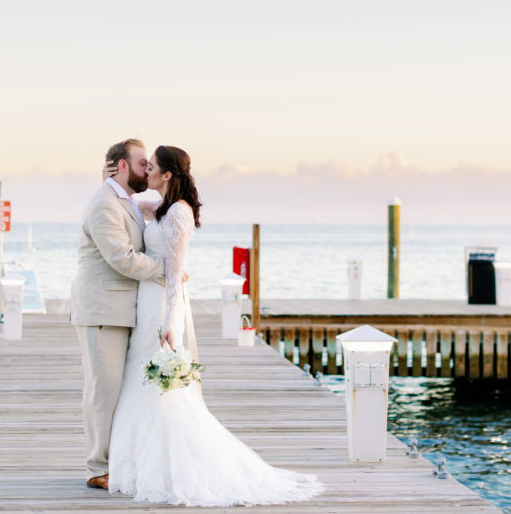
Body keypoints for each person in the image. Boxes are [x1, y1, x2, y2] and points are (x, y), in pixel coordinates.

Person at [107, 145, 323, 507]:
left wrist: (169, 322)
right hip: (145, 302)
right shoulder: (160, 207)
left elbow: (175, 273)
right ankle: (134, 464)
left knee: (163, 392)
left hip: (161, 305)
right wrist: (111, 181)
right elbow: (128, 205)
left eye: (153, 167)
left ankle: (169, 469)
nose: (147, 172)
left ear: (168, 175)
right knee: (138, 382)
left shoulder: (179, 213)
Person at [70, 138, 166, 491]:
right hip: (102, 311)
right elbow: (122, 258)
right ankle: (97, 466)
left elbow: (162, 201)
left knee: (117, 391)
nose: (148, 169)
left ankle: (116, 460)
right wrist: (165, 269)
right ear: (122, 166)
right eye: (142, 163)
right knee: (103, 391)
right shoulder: (104, 205)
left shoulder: (121, 199)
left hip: (121, 311)